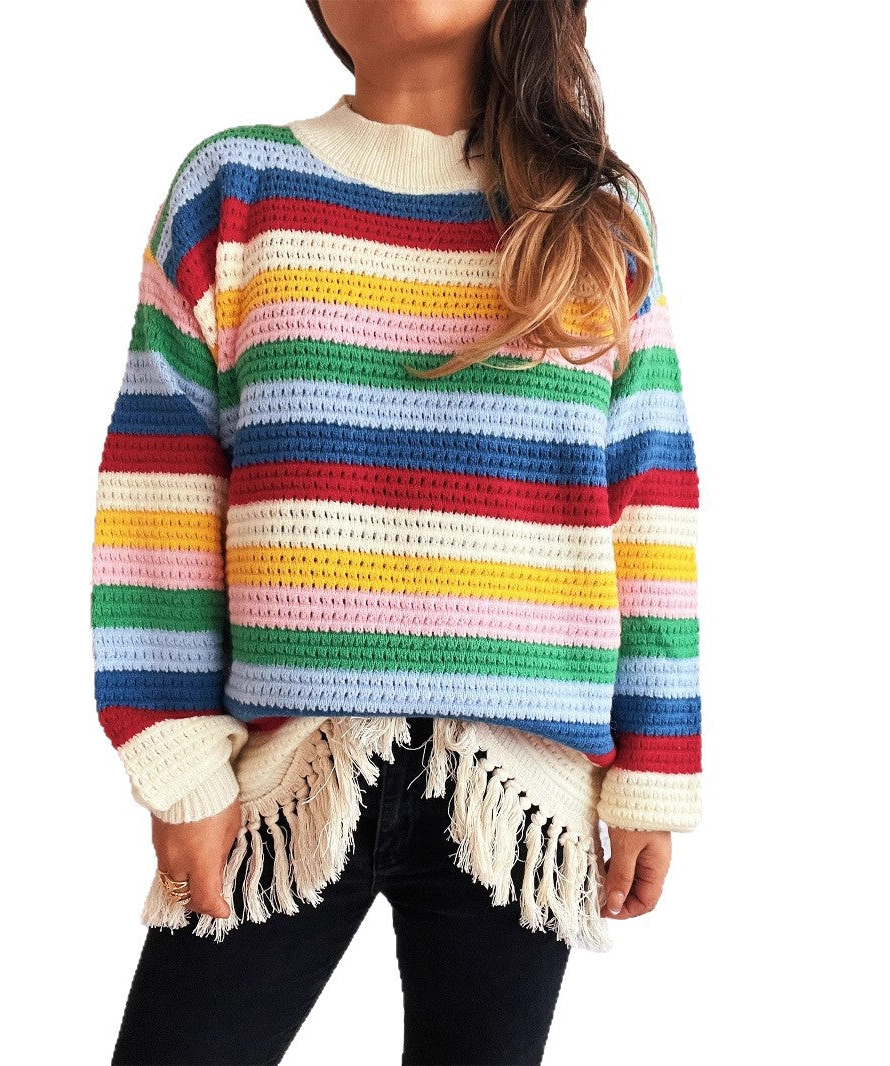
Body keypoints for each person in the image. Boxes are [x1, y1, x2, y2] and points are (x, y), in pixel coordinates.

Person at [90, 2, 702, 1063]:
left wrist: (655, 766)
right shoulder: (234, 191)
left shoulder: (595, 219)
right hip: (277, 781)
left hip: (517, 799)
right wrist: (175, 752)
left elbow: (647, 509)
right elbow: (162, 490)